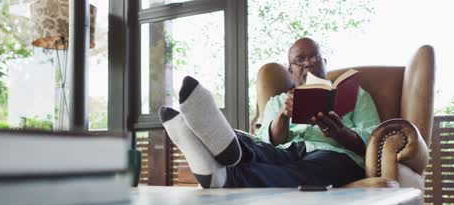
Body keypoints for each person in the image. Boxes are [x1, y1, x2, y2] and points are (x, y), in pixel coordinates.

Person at [158, 37, 380, 188]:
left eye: (314, 58)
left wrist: (340, 133)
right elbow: (268, 141)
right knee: (259, 149)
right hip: (288, 150)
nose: (308, 65)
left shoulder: (356, 94)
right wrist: (283, 115)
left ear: (324, 62)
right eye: (300, 61)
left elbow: (373, 139)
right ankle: (223, 153)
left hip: (335, 156)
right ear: (290, 70)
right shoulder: (278, 101)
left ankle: (225, 174)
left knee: (298, 172)